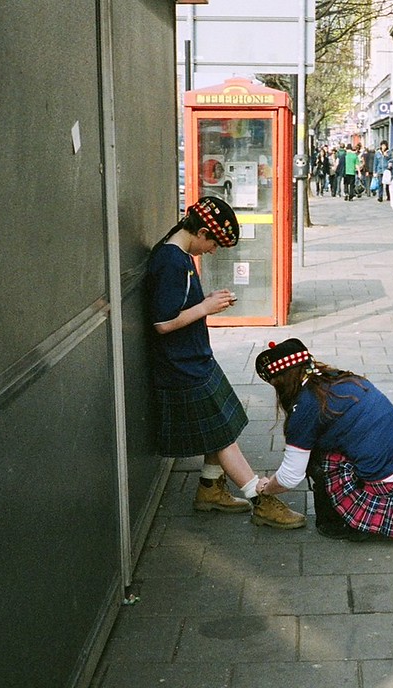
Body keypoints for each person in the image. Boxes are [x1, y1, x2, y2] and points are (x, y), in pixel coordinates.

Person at [146, 197, 306, 530]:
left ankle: (210, 488)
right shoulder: (171, 262)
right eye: (213, 242)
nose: (213, 250)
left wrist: (204, 303)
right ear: (201, 231)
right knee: (222, 436)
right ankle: (259, 500)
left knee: (224, 425)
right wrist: (206, 307)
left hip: (194, 359)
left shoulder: (178, 254)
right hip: (183, 366)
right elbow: (162, 323)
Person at [253, 339, 393, 541]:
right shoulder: (343, 379)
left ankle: (342, 523)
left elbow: (290, 476)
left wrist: (266, 488)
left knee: (319, 458)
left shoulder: (305, 408)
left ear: (281, 381)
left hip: (389, 476)